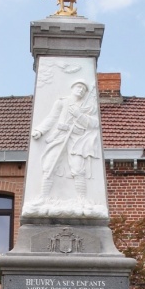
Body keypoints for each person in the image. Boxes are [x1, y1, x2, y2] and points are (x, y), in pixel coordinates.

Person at [31, 81, 100, 209]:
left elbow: (94, 124)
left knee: (78, 168)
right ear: (72, 88)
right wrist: (40, 131)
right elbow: (51, 118)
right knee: (49, 165)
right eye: (79, 87)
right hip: (61, 136)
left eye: (84, 89)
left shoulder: (87, 107)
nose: (81, 90)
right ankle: (43, 197)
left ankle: (82, 199)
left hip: (76, 138)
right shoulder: (62, 102)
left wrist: (79, 115)